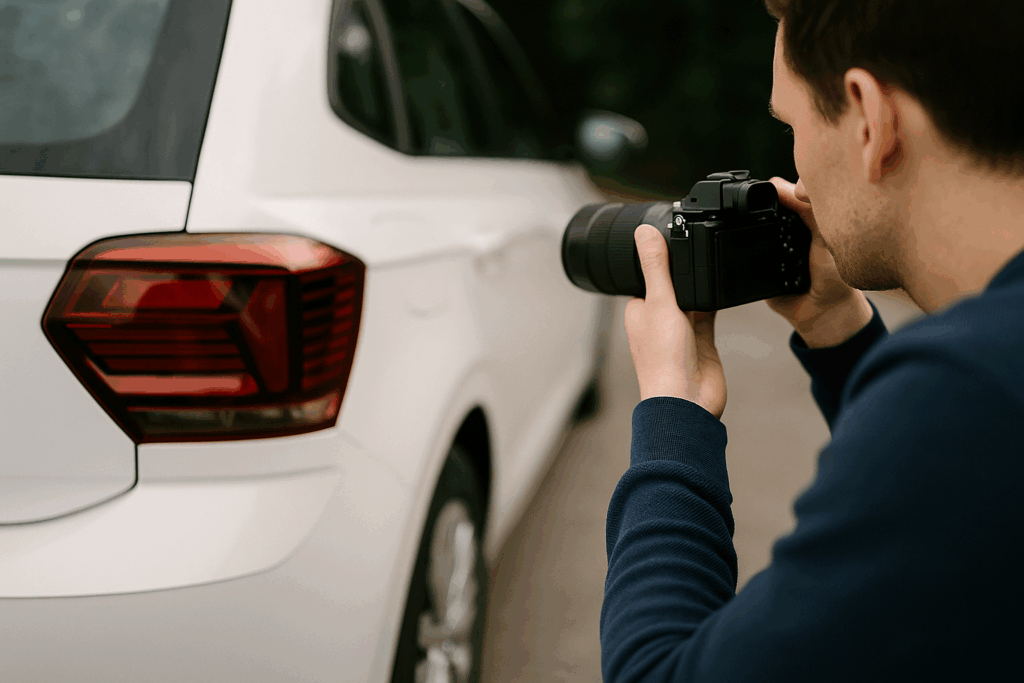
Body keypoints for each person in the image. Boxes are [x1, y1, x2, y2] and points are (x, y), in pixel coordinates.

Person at [600, 0, 1024, 680]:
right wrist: (839, 331)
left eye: (792, 125)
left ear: (869, 119)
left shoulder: (967, 396)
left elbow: (655, 671)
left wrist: (671, 416)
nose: (795, 166)